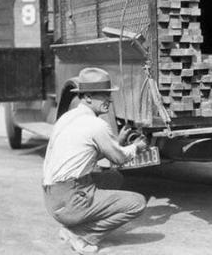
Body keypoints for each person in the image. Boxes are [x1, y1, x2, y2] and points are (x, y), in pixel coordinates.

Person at [42, 67, 149, 254]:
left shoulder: (68, 117)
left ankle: (71, 226)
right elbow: (119, 158)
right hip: (70, 199)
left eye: (109, 94)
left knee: (114, 178)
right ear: (88, 97)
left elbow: (87, 152)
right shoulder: (96, 124)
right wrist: (136, 147)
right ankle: (83, 235)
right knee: (137, 203)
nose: (109, 99)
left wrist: (118, 142)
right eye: (104, 95)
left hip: (52, 196)